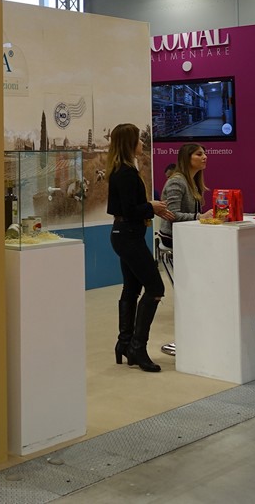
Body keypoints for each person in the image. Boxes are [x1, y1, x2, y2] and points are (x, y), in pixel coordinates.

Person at [106, 123, 173, 372]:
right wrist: (151, 207)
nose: (143, 143)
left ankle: (124, 343)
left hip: (126, 235)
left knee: (132, 287)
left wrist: (149, 206)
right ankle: (137, 346)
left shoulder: (121, 170)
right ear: (130, 143)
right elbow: (129, 209)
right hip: (128, 236)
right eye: (139, 139)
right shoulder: (125, 173)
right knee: (155, 287)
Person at [163, 143, 214, 225]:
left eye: (204, 154)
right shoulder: (176, 181)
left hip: (189, 231)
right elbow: (172, 215)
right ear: (186, 158)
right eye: (199, 154)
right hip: (174, 232)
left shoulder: (193, 181)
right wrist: (200, 216)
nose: (205, 157)